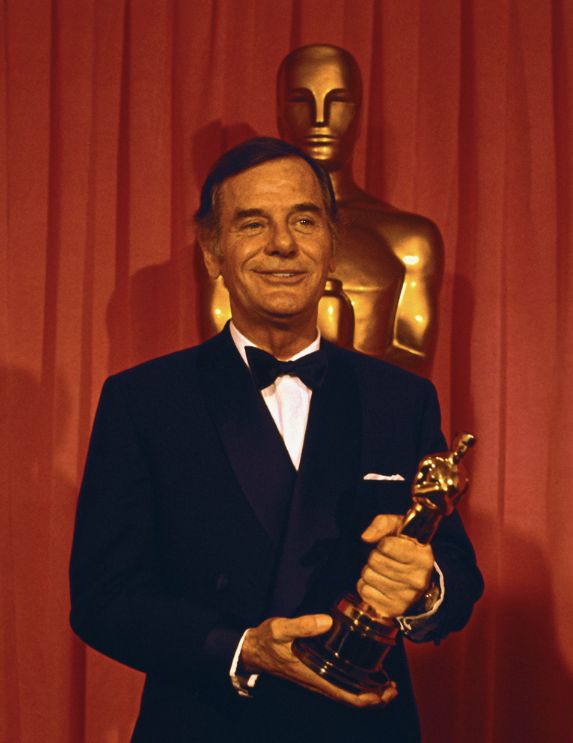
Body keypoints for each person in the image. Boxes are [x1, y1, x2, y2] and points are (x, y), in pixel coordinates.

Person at [70, 137, 482, 742]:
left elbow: (457, 575)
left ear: (332, 243)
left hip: (363, 726)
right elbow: (103, 599)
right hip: (206, 723)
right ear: (212, 251)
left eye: (304, 220)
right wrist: (240, 648)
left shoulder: (402, 398)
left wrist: (423, 587)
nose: (283, 244)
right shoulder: (143, 402)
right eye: (253, 223)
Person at [205, 45, 445, 373]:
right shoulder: (231, 234)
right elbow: (223, 357)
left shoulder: (411, 239)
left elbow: (414, 362)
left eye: (339, 101)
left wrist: (333, 354)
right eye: (301, 101)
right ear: (279, 112)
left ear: (359, 112)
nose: (320, 118)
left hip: (370, 419)